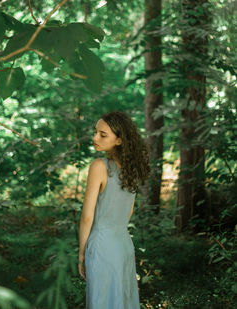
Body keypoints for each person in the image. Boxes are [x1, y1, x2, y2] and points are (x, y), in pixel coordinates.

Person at [78, 111, 150, 309]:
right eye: (96, 132)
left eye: (103, 134)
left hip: (101, 246)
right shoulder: (131, 170)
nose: (95, 138)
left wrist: (81, 253)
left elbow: (87, 216)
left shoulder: (99, 166)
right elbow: (129, 213)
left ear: (118, 140)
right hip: (124, 246)